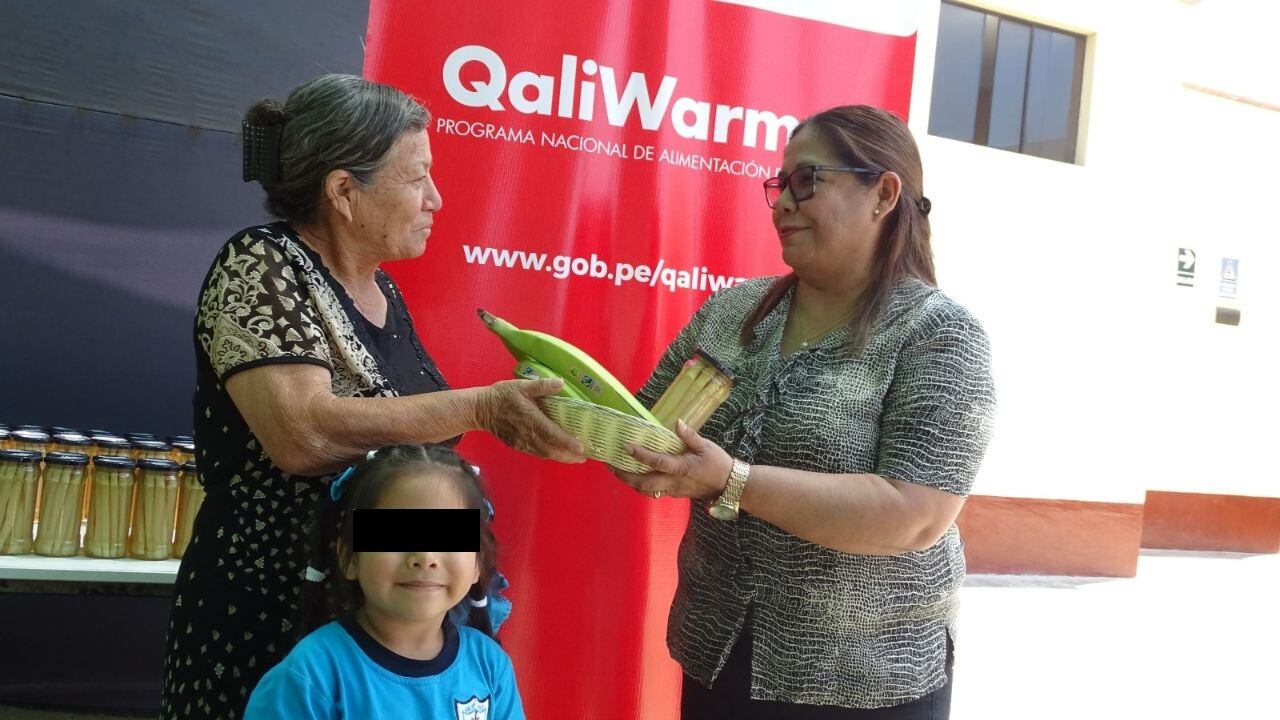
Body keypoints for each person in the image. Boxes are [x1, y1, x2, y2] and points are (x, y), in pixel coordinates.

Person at [161, 74, 581, 719]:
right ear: (343, 192)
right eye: (417, 179)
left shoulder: (385, 295)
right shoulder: (260, 263)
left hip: (378, 624)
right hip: (270, 612)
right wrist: (479, 407)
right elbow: (302, 436)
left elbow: (394, 449)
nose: (436, 199)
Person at [616, 105, 996, 718]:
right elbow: (647, 425)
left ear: (884, 194)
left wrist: (730, 480)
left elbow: (915, 515)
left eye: (806, 181)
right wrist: (585, 422)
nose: (781, 204)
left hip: (861, 679)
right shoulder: (732, 312)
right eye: (779, 184)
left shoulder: (938, 335)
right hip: (718, 655)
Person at [243, 444, 523, 719]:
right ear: (350, 558)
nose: (425, 557)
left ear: (477, 564)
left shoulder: (491, 666)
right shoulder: (310, 678)